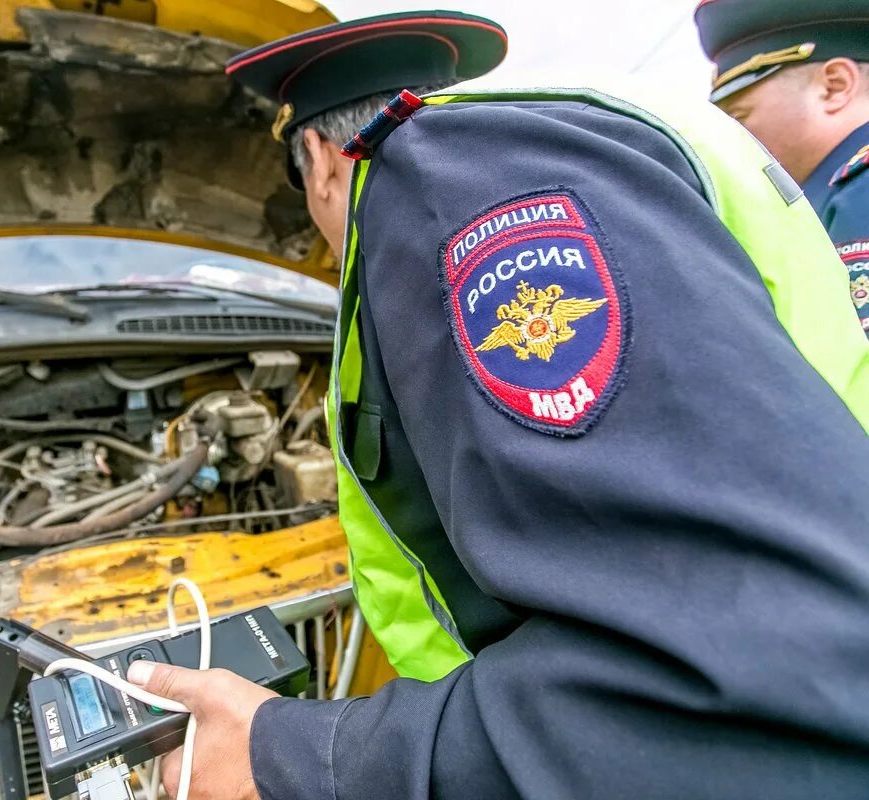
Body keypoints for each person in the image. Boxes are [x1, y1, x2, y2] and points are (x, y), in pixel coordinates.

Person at [122, 11, 869, 799]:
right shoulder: (565, 145)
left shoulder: (456, 178)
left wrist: (297, 759)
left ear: (319, 159)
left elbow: (727, 684)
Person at [696, 0, 869, 334]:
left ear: (834, 86)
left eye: (739, 116)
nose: (730, 135)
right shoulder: (830, 192)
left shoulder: (858, 192)